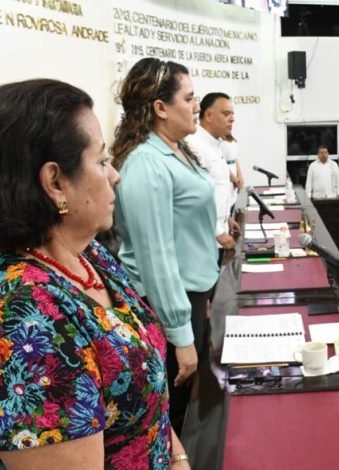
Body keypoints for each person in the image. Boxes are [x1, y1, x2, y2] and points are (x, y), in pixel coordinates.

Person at [0, 79, 188, 468]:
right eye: (102, 162)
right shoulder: (22, 320)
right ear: (55, 182)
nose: (115, 175)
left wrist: (178, 457)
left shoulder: (87, 256)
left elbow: (145, 392)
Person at [112, 58, 219, 438]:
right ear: (160, 107)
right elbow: (156, 258)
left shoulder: (175, 150)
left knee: (191, 407)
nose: (196, 106)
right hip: (166, 307)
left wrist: (204, 293)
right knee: (176, 415)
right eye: (188, 99)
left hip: (190, 296)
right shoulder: (146, 162)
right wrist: (181, 335)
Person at [188, 92, 240, 264]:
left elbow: (218, 188)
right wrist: (218, 231)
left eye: (232, 114)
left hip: (219, 232)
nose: (232, 119)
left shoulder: (215, 145)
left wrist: (227, 218)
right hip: (206, 237)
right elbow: (195, 198)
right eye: (226, 114)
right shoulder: (194, 145)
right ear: (209, 116)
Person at [221, 133, 244, 214]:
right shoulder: (217, 140)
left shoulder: (230, 136)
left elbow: (234, 158)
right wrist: (234, 179)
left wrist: (240, 175)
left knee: (236, 203)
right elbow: (221, 162)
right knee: (226, 204)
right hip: (225, 173)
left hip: (234, 170)